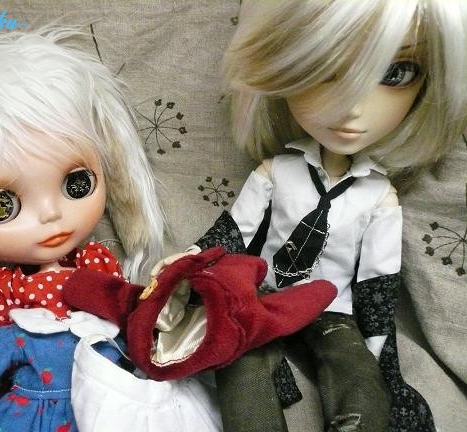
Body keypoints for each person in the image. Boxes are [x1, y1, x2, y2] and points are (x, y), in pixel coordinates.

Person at [153, 1, 467, 431]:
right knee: (241, 366)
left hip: (331, 306)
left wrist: (382, 361)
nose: (353, 106)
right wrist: (189, 261)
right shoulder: (275, 173)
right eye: (325, 67)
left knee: (356, 374)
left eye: (396, 73)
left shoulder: (380, 199)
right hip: (262, 295)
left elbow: (376, 282)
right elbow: (234, 231)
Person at [0, 27, 173, 431]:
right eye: (1, 206)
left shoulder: (95, 261)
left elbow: (123, 314)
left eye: (76, 183)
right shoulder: (2, 285)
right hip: (34, 399)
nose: (51, 215)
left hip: (110, 388)